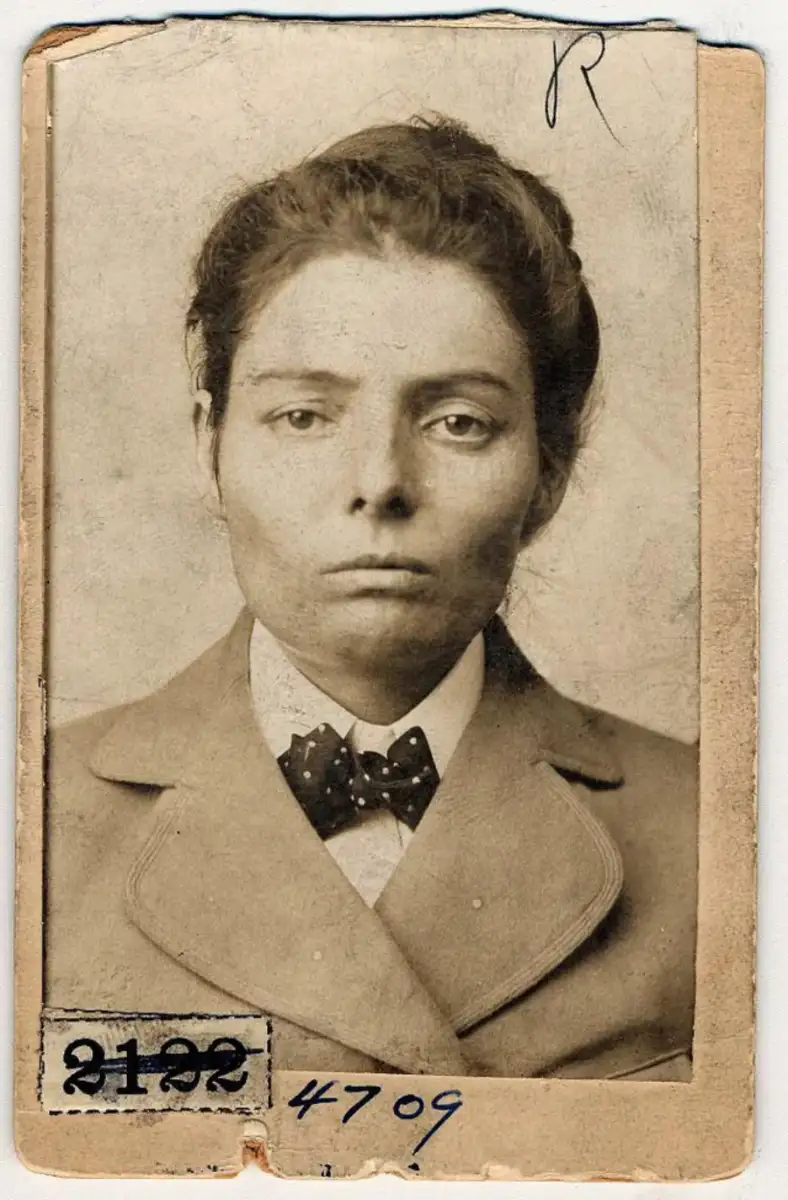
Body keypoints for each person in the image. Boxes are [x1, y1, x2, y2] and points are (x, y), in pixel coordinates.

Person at [45, 117, 697, 1080]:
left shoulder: (718, 837)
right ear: (208, 445)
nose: (380, 481)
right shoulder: (35, 825)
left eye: (459, 421)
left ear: (550, 472)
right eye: (304, 415)